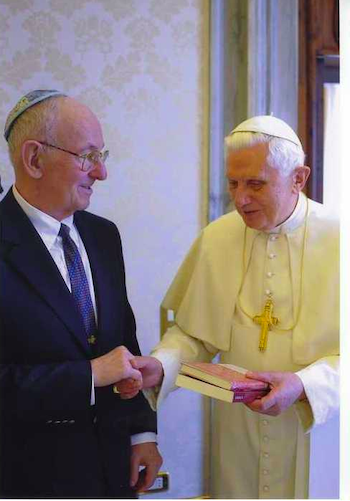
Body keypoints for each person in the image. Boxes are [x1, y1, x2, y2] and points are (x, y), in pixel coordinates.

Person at [116, 116, 339, 499]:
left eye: (255, 184)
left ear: (298, 178)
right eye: (233, 183)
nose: (240, 199)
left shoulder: (341, 238)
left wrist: (304, 383)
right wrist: (163, 364)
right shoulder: (218, 237)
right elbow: (195, 335)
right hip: (239, 430)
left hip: (322, 430)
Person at [0, 90, 162, 498]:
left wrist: (141, 431)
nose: (101, 173)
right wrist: (87, 376)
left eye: (101, 156)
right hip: (27, 479)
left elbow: (123, 341)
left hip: (112, 472)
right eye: (88, 156)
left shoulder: (103, 235)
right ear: (34, 159)